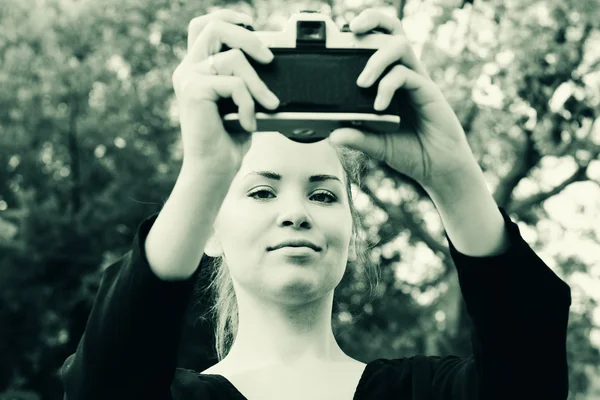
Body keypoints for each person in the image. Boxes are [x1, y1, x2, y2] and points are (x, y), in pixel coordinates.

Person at [60, 7, 572, 400]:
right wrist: (204, 174)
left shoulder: (426, 392)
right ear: (208, 231)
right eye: (261, 190)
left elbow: (529, 370)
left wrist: (453, 174)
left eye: (324, 194)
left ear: (351, 232)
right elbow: (100, 384)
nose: (295, 212)